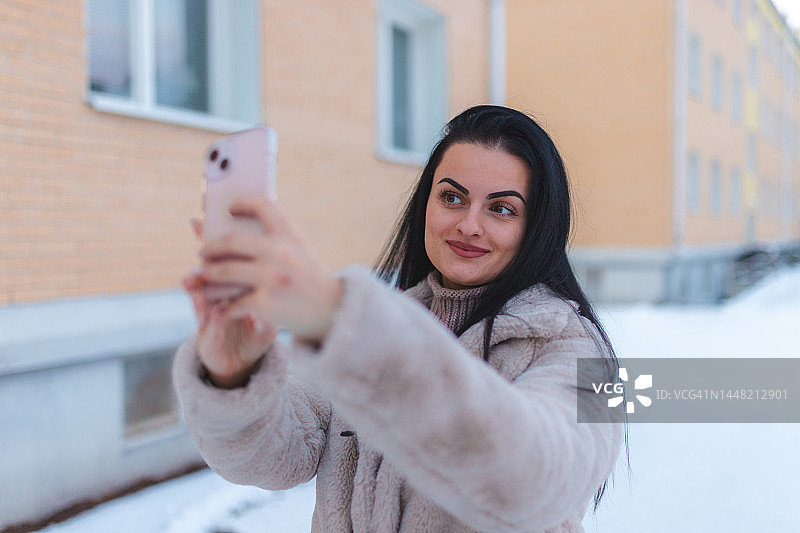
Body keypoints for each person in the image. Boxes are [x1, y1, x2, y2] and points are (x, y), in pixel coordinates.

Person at [173, 105, 624, 532]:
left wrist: (341, 319)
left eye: (501, 208)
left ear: (538, 228)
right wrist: (232, 376)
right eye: (452, 197)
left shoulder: (583, 354)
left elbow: (534, 479)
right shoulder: (390, 325)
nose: (469, 224)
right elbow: (275, 456)